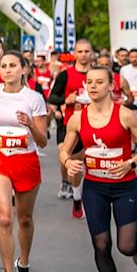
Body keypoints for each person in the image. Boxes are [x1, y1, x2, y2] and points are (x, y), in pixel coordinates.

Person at [59, 66, 137, 272]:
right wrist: (68, 162)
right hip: (95, 188)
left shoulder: (125, 115)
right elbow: (64, 150)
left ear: (110, 85)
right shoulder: (78, 118)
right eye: (89, 82)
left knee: (125, 246)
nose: (92, 86)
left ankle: (136, 244)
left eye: (99, 82)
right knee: (101, 243)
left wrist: (130, 163)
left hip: (125, 187)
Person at [0, 51, 50, 272]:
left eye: (12, 66)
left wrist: (30, 124)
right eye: (3, 66)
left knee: (25, 219)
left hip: (26, 160)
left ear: (23, 70)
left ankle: (24, 263)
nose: (7, 70)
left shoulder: (34, 99)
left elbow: (43, 142)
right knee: (5, 217)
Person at [49, 39, 95, 215]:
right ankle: (72, 190)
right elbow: (52, 97)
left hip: (95, 124)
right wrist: (66, 100)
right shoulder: (65, 75)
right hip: (70, 124)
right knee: (70, 159)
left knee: (89, 162)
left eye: (86, 51)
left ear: (92, 54)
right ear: (75, 53)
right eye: (80, 51)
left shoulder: (98, 74)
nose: (83, 55)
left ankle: (83, 193)